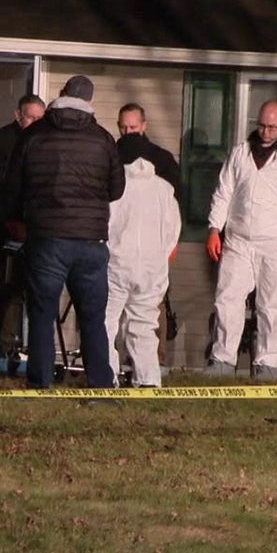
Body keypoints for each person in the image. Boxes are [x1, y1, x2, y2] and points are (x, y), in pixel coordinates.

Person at [2, 75, 125, 389]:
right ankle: (100, 382)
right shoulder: (103, 139)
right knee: (93, 318)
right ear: (90, 101)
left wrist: (24, 217)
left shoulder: (33, 135)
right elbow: (117, 188)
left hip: (47, 238)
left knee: (43, 313)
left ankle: (40, 381)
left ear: (60, 95)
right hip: (91, 240)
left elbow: (13, 186)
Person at [205, 99, 277, 381]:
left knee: (271, 306)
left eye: (272, 127)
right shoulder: (241, 153)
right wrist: (214, 228)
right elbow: (224, 192)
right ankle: (222, 359)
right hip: (238, 240)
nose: (266, 132)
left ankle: (267, 364)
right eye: (262, 126)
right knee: (227, 299)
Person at [0, 94, 46, 374]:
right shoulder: (2, 141)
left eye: (40, 118)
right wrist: (7, 224)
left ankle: (13, 347)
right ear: (19, 115)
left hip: (31, 232)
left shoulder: (41, 141)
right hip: (1, 232)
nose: (35, 123)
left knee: (20, 292)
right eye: (31, 117)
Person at [105, 133, 181, 387]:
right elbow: (173, 230)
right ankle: (148, 380)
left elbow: (104, 226)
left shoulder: (113, 187)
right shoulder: (164, 188)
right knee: (145, 325)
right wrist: (159, 256)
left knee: (106, 321)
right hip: (152, 268)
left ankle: (107, 376)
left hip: (116, 263)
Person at [116, 103, 181, 194]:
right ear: (118, 126)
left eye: (133, 127)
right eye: (123, 127)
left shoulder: (162, 158)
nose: (128, 132)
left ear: (144, 126)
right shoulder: (110, 156)